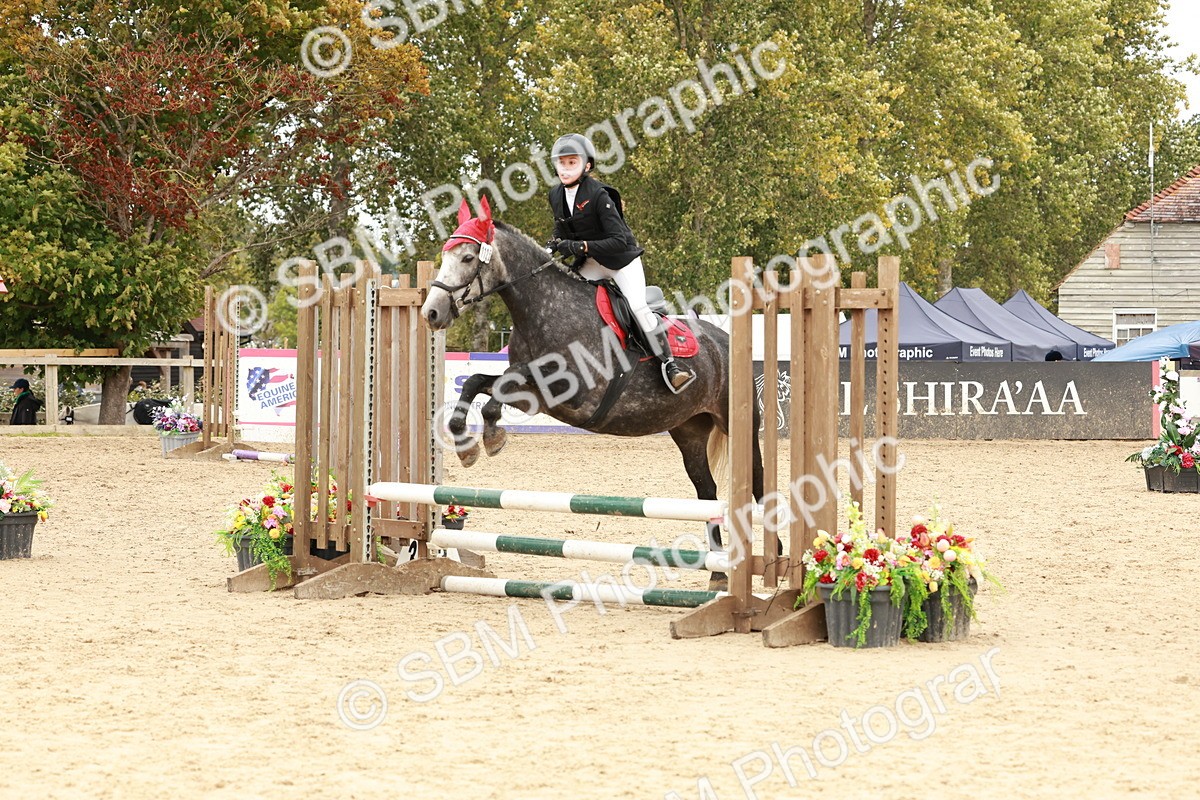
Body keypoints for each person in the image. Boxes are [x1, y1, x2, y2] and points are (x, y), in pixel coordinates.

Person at [546, 133, 696, 393]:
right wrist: (551, 245)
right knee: (569, 300)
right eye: (562, 163)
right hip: (591, 262)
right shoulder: (555, 195)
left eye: (572, 162)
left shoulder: (599, 195)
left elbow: (617, 240)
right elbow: (562, 229)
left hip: (620, 261)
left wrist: (580, 246)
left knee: (638, 307)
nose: (565, 168)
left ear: (587, 166)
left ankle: (670, 364)